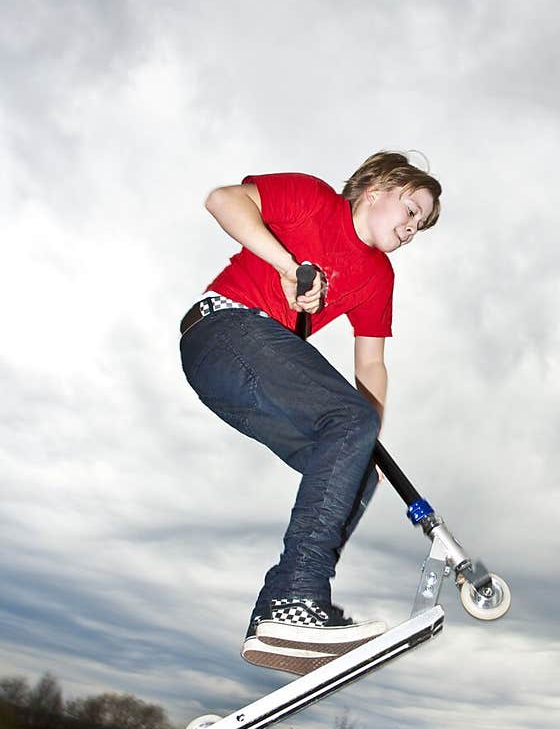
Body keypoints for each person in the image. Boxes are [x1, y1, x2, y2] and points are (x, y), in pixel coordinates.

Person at [179, 151, 442, 673]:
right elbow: (222, 200)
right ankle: (299, 598)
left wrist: (364, 439)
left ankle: (278, 613)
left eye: (422, 224)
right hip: (223, 333)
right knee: (351, 423)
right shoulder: (313, 199)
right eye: (411, 209)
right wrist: (287, 265)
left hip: (255, 379)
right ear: (377, 189)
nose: (413, 227)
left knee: (357, 467)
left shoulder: (378, 276)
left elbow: (371, 365)